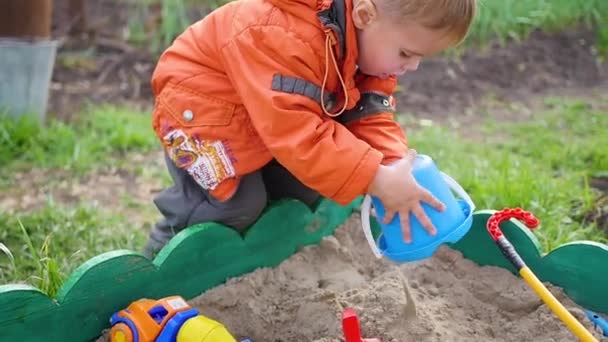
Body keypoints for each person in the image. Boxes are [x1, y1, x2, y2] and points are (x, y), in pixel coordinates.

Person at [143, 0, 476, 258]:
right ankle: (160, 256)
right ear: (364, 15)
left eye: (420, 58)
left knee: (304, 188)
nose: (412, 66)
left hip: (270, 115)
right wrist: (374, 177)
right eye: (406, 53)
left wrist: (392, 163)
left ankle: (255, 249)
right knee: (236, 204)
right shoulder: (282, 35)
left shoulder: (366, 40)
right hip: (204, 111)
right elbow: (296, 133)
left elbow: (370, 112)